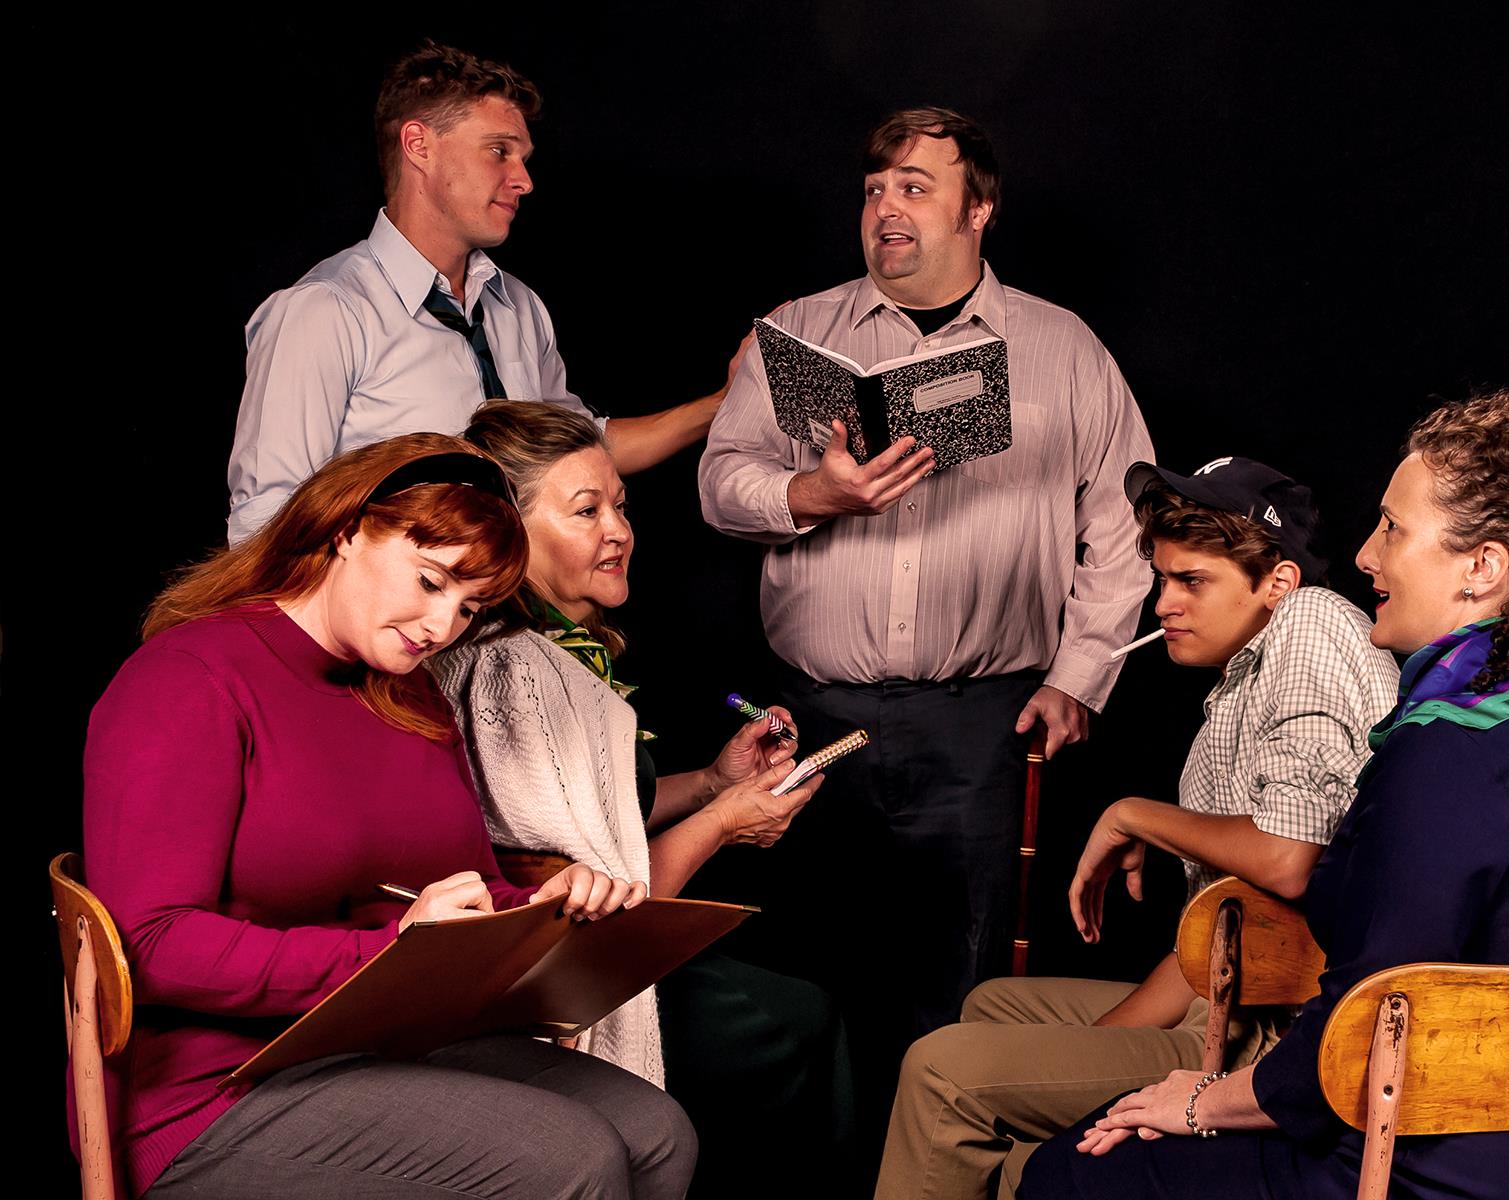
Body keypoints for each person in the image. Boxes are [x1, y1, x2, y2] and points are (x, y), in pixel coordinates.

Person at [1021, 390, 1509, 1200]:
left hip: (1411, 1168)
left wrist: (1205, 1098)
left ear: (1481, 567)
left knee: (1069, 1172)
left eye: (1393, 528)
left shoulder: (1447, 747)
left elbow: (1365, 1026)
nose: (1365, 554)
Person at [697, 106, 1156, 1150]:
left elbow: (1126, 526)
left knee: (959, 983)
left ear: (979, 208)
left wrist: (1080, 679)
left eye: (914, 186)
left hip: (979, 724)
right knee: (810, 985)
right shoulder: (801, 332)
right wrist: (815, 493)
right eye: (873, 188)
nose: (885, 208)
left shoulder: (1062, 347)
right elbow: (720, 487)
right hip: (811, 717)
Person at [83, 432, 696, 1199]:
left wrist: (545, 905)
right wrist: (386, 952)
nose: (442, 627)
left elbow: (455, 892)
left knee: (656, 1133)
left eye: (468, 606)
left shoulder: (410, 694)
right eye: (431, 580)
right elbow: (152, 941)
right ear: (346, 529)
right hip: (218, 1085)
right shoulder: (190, 677)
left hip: (386, 1041)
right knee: (567, 1155)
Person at [874, 457, 1398, 1200]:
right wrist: (1087, 1053)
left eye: (1192, 582)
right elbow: (1227, 924)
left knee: (942, 1069)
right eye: (1162, 579)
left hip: (1274, 1038)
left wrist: (1134, 814)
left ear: (1277, 582)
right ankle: (1046, 1166)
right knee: (994, 1006)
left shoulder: (1309, 625)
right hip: (1224, 995)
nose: (1163, 605)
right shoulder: (1246, 677)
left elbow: (1287, 860)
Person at [431, 399, 852, 1195]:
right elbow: (600, 915)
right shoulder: (517, 670)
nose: (619, 531)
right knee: (798, 1018)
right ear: (507, 531)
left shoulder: (562, 646)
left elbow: (599, 808)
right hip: (557, 985)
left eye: (620, 506)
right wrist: (725, 824)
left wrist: (714, 782)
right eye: (585, 510)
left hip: (584, 949)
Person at [227, 41, 736, 546]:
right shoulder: (323, 311)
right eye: (499, 151)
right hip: (401, 625)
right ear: (418, 145)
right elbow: (266, 521)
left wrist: (725, 402)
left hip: (527, 617)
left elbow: (578, 449)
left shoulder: (518, 309)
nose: (524, 180)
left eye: (523, 157)